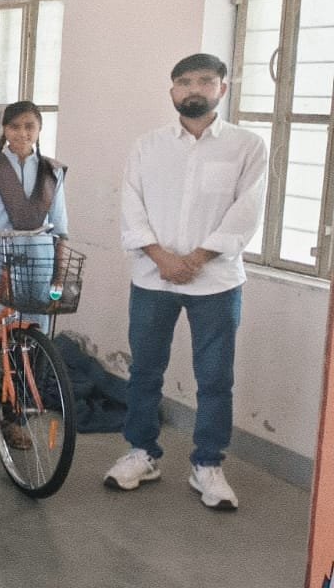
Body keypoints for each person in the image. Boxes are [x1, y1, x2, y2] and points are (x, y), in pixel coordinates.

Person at [105, 53, 267, 511]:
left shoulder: (247, 146)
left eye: (205, 81)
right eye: (184, 81)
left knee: (215, 378)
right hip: (152, 277)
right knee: (145, 370)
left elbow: (246, 211)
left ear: (222, 88)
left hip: (216, 282)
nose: (194, 89)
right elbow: (131, 205)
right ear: (172, 90)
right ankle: (142, 452)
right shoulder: (148, 146)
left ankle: (208, 464)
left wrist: (196, 259)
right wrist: (162, 258)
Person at [0, 100, 68, 450]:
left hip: (39, 267)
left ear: (39, 130)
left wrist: (58, 276)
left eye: (29, 127)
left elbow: (60, 231)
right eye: (15, 127)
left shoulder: (52, 172)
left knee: (32, 346)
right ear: (4, 130)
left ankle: (18, 421)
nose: (22, 134)